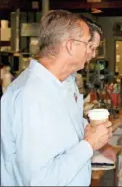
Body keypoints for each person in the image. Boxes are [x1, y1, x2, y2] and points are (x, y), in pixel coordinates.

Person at [1, 10, 112, 186]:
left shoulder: (65, 82)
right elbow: (39, 181)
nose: (91, 52)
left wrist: (89, 130)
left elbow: (64, 131)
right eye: (87, 43)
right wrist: (89, 144)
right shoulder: (32, 95)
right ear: (70, 46)